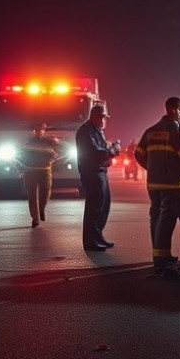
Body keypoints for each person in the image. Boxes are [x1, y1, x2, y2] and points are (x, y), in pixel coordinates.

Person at [134, 96, 180, 268]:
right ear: (174, 109)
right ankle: (165, 257)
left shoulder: (150, 131)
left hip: (154, 185)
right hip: (174, 186)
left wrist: (153, 168)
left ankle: (174, 253)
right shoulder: (178, 130)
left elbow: (138, 154)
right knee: (175, 218)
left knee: (161, 217)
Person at [75, 104, 121, 251]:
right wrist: (113, 150)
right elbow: (96, 152)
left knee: (103, 206)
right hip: (92, 172)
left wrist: (110, 150)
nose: (104, 121)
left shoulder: (97, 130)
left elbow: (102, 150)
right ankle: (91, 242)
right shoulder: (86, 131)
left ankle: (98, 236)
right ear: (95, 116)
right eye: (102, 117)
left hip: (100, 172)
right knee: (94, 207)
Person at [20, 123, 60, 228]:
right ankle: (35, 218)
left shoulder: (49, 140)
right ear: (34, 130)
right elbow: (22, 156)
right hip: (30, 171)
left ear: (43, 129)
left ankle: (42, 208)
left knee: (45, 191)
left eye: (41, 129)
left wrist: (52, 157)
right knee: (32, 195)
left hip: (44, 170)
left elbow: (57, 151)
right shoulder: (28, 142)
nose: (39, 131)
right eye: (36, 129)